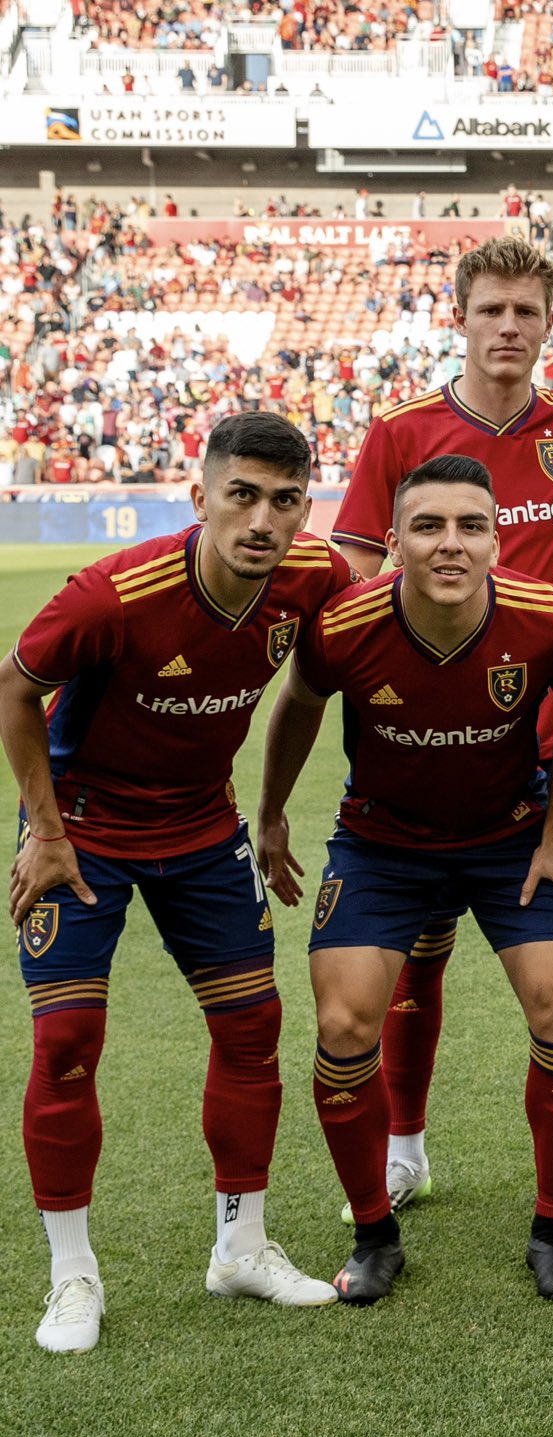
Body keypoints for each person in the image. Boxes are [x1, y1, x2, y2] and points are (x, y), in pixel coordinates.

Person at [1, 412, 349, 1355]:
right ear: (199, 498)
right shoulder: (111, 595)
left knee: (252, 1027)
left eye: (284, 500)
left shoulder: (315, 579)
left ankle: (241, 1245)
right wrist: (43, 829)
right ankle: (73, 1276)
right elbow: (14, 689)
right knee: (68, 1037)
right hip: (84, 832)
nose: (262, 521)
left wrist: (272, 815)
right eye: (241, 496)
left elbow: (316, 689)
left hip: (201, 827)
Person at [256, 456, 553, 1305]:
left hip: (512, 837)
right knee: (341, 1022)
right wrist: (269, 817)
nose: (451, 545)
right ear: (397, 539)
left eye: (470, 526)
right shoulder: (346, 623)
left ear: (495, 538)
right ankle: (375, 1232)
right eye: (428, 527)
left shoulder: (549, 618)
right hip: (382, 844)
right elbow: (299, 701)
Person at [329, 234, 553, 1223]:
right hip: (420, 741)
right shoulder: (400, 431)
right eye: (490, 309)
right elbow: (354, 565)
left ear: (547, 323)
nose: (507, 326)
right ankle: (404, 1145)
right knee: (417, 955)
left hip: (545, 752)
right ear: (461, 315)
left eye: (525, 312)